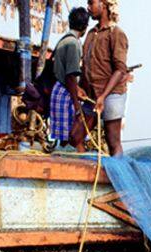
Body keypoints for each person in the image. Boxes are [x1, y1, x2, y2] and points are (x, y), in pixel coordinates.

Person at [70, 0, 129, 156]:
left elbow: (120, 70)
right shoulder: (91, 34)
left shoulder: (116, 34)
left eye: (91, 3)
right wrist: (80, 87)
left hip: (112, 94)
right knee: (75, 137)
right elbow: (85, 66)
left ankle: (117, 175)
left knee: (112, 141)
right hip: (91, 95)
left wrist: (103, 96)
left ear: (104, 5)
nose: (88, 7)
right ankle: (83, 174)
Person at [49, 7, 90, 147]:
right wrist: (77, 104)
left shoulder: (63, 41)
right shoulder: (74, 43)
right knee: (74, 138)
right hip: (66, 93)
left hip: (59, 90)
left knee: (63, 139)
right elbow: (70, 76)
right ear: (85, 27)